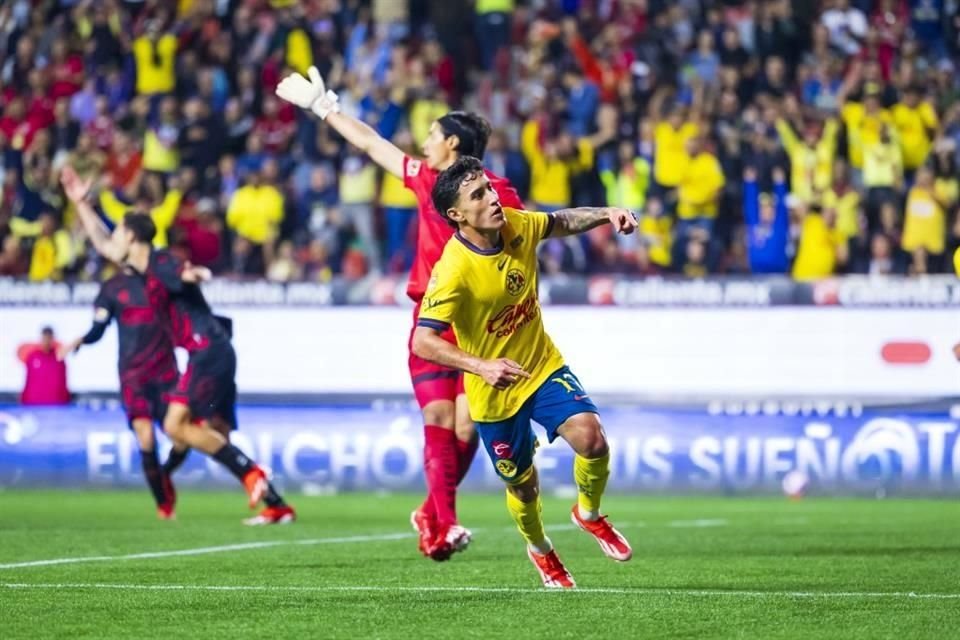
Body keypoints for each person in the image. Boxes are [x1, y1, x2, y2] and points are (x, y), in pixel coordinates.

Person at [276, 66, 525, 559]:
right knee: (438, 415)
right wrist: (325, 108)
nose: (423, 141)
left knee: (467, 426)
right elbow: (371, 144)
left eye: (432, 135)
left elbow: (521, 246)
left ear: (453, 143)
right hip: (432, 320)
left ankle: (431, 513)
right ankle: (446, 522)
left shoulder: (499, 192)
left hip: (479, 328)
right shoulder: (427, 179)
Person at [411, 156, 635, 588]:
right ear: (457, 214)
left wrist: (607, 214)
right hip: (493, 391)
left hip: (540, 365)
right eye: (478, 195)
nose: (493, 198)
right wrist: (481, 365)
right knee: (524, 486)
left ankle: (588, 514)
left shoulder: (515, 224)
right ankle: (541, 549)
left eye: (489, 188)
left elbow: (560, 221)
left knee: (591, 437)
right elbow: (423, 341)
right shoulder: (452, 270)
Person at [60, 166, 294, 525]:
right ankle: (276, 505)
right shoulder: (140, 268)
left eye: (120, 231)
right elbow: (102, 244)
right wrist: (82, 204)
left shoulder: (161, 260)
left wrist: (193, 273)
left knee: (176, 427)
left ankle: (252, 477)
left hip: (207, 349)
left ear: (133, 237)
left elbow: (181, 269)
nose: (114, 239)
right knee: (207, 431)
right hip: (210, 350)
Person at [58, 267, 183, 519]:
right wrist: (80, 340)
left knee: (182, 437)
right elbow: (98, 328)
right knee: (146, 437)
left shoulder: (162, 280)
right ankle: (163, 506)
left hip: (166, 372)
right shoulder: (112, 287)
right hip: (133, 377)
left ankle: (164, 472)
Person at [18, 327, 70, 405]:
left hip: (56, 404)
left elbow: (63, 380)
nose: (46, 342)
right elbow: (28, 380)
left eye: (49, 338)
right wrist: (24, 399)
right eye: (44, 338)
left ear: (52, 339)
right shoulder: (33, 357)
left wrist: (65, 400)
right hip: (34, 403)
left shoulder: (59, 358)